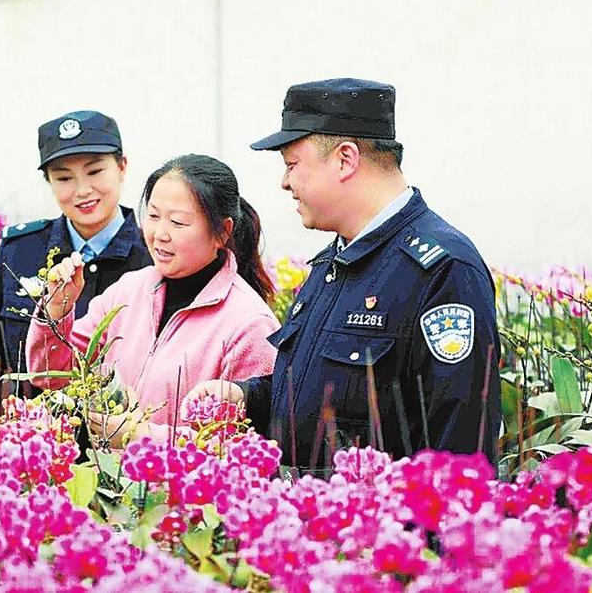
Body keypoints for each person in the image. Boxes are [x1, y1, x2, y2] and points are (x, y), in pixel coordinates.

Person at [183, 78, 501, 474]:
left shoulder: (442, 269)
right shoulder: (334, 264)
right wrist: (246, 397)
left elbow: (459, 454)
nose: (285, 182)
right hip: (304, 510)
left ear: (345, 160)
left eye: (291, 165)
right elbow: (315, 396)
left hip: (376, 515)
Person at [26, 154, 279, 444]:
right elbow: (51, 376)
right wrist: (56, 310)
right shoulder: (129, 290)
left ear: (222, 232)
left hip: (177, 477)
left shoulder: (250, 323)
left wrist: (141, 437)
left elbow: (241, 449)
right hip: (109, 472)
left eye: (178, 222)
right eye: (153, 216)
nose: (159, 234)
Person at [0, 110, 152, 407]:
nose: (82, 190)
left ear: (122, 167)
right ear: (48, 181)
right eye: (64, 178)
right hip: (33, 428)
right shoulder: (20, 251)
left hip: (126, 429)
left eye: (95, 172)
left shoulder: (154, 254)